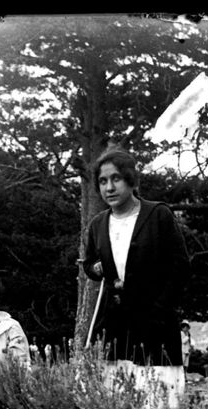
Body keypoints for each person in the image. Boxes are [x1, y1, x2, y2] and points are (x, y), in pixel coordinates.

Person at [82, 146, 190, 367]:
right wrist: (95, 268)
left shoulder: (158, 215)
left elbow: (180, 268)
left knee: (160, 392)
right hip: (114, 326)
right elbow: (89, 263)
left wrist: (159, 311)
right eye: (103, 181)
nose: (109, 188)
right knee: (113, 392)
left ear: (131, 180)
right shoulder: (98, 225)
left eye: (116, 179)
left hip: (156, 325)